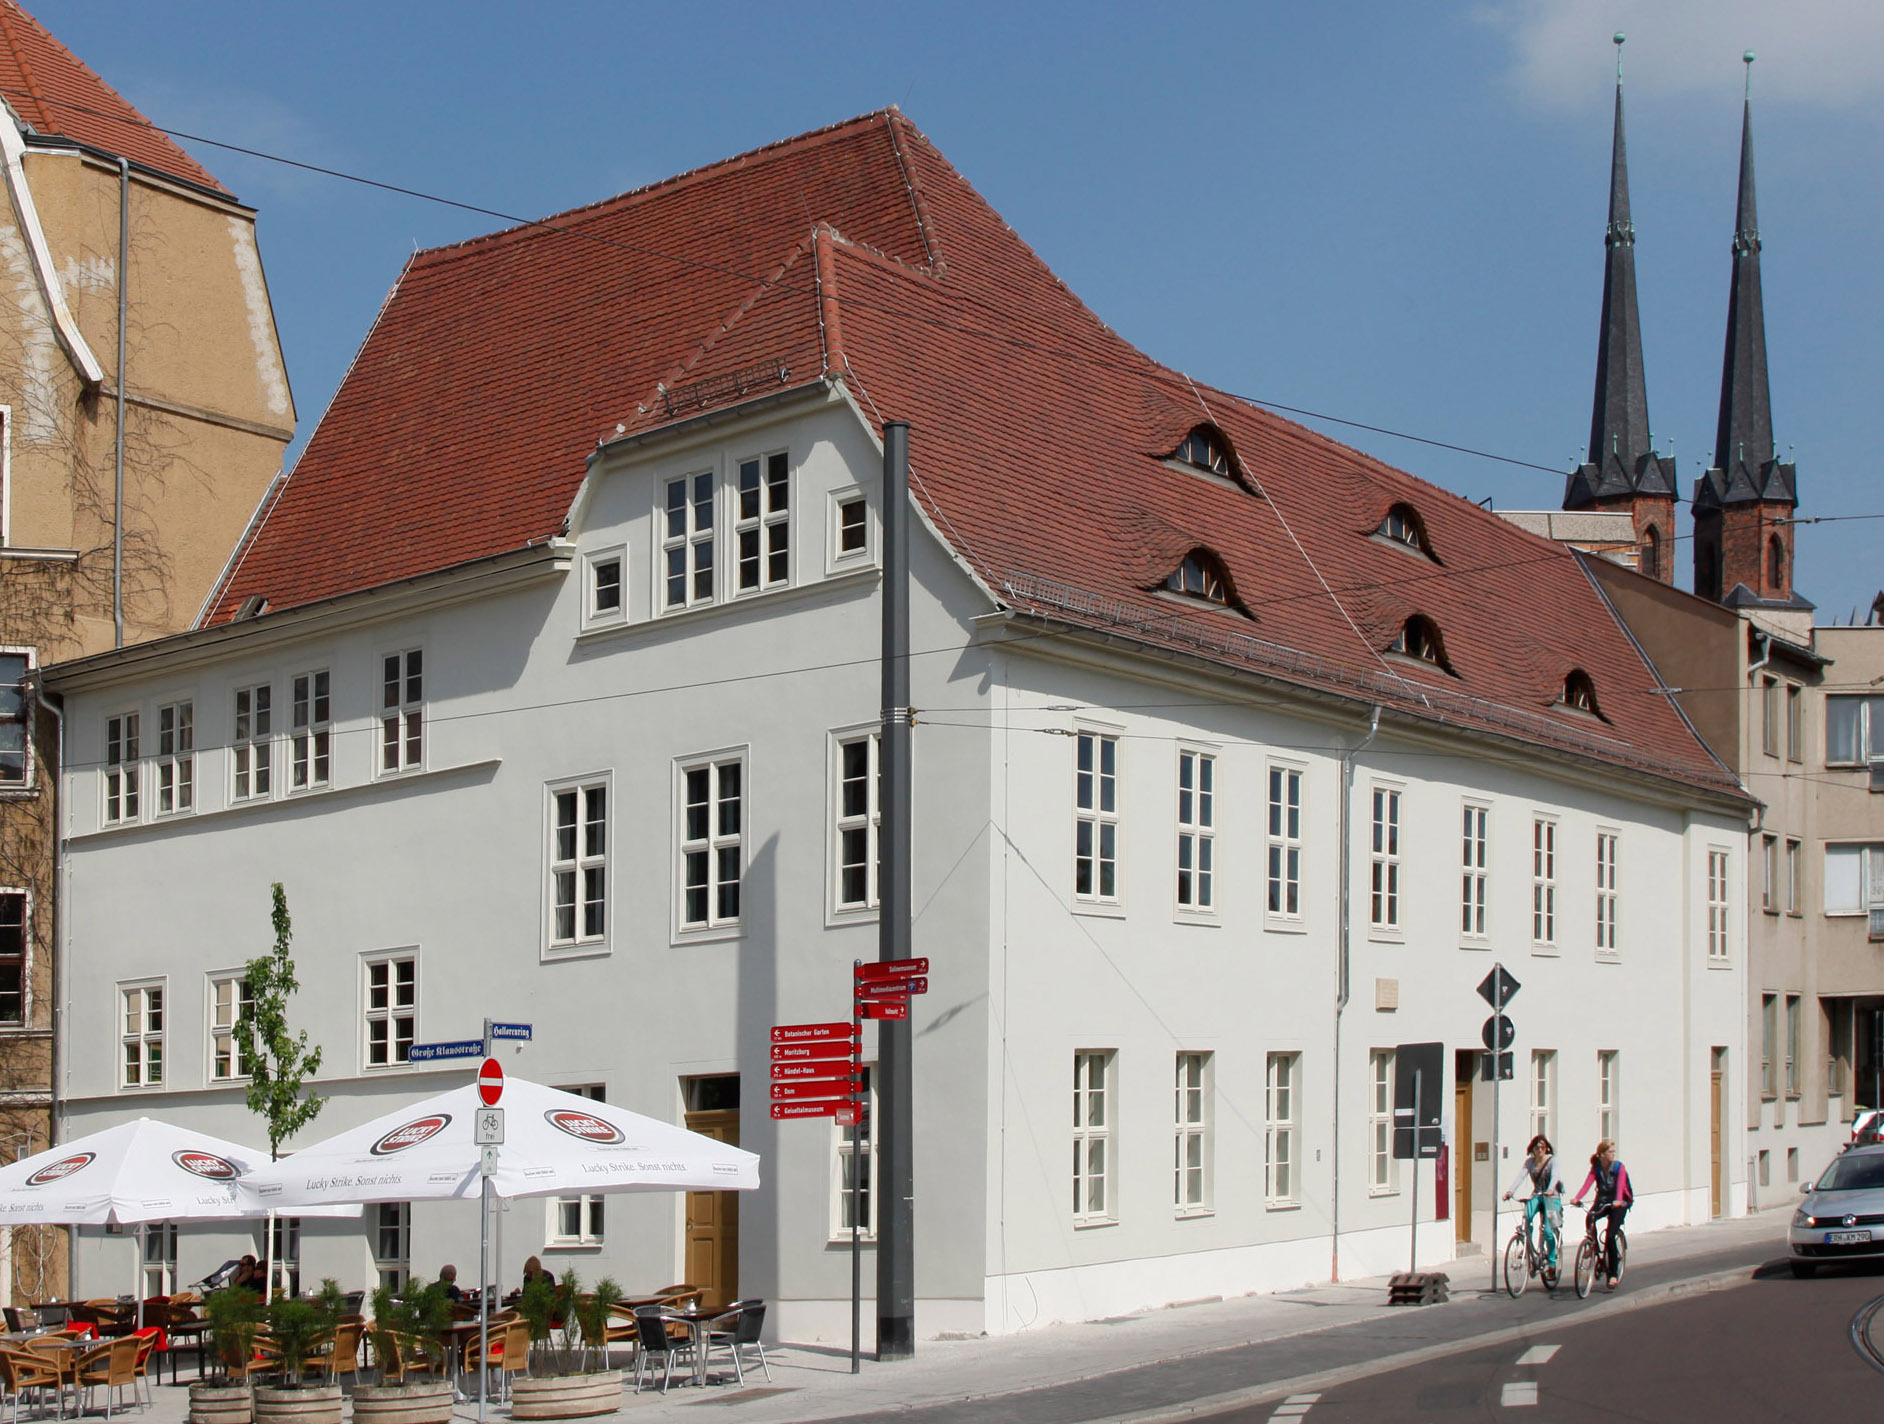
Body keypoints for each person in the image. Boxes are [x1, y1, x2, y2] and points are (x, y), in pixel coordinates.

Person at [1570, 1139, 1633, 1288]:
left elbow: (1620, 1185)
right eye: (1610, 1152)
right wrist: (1577, 1198)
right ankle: (1593, 1246)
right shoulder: (1596, 1168)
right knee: (1590, 1216)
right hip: (1603, 1200)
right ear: (1602, 1154)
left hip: (1619, 1202)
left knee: (1610, 1235)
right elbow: (1587, 1184)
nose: (1613, 1154)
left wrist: (1618, 1200)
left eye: (1613, 1152)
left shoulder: (1619, 1167)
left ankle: (1613, 1274)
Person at [1502, 1134, 1564, 1276]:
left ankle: (1552, 1262)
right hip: (1537, 1195)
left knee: (1548, 1232)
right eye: (1537, 1147)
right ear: (1533, 1149)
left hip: (1551, 1197)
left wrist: (1550, 1189)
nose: (1540, 1150)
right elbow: (1521, 1177)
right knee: (1527, 1217)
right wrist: (1510, 1192)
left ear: (1547, 1148)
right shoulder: (1530, 1162)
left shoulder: (1553, 1161)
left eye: (1542, 1147)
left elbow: (1555, 1176)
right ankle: (1526, 1244)